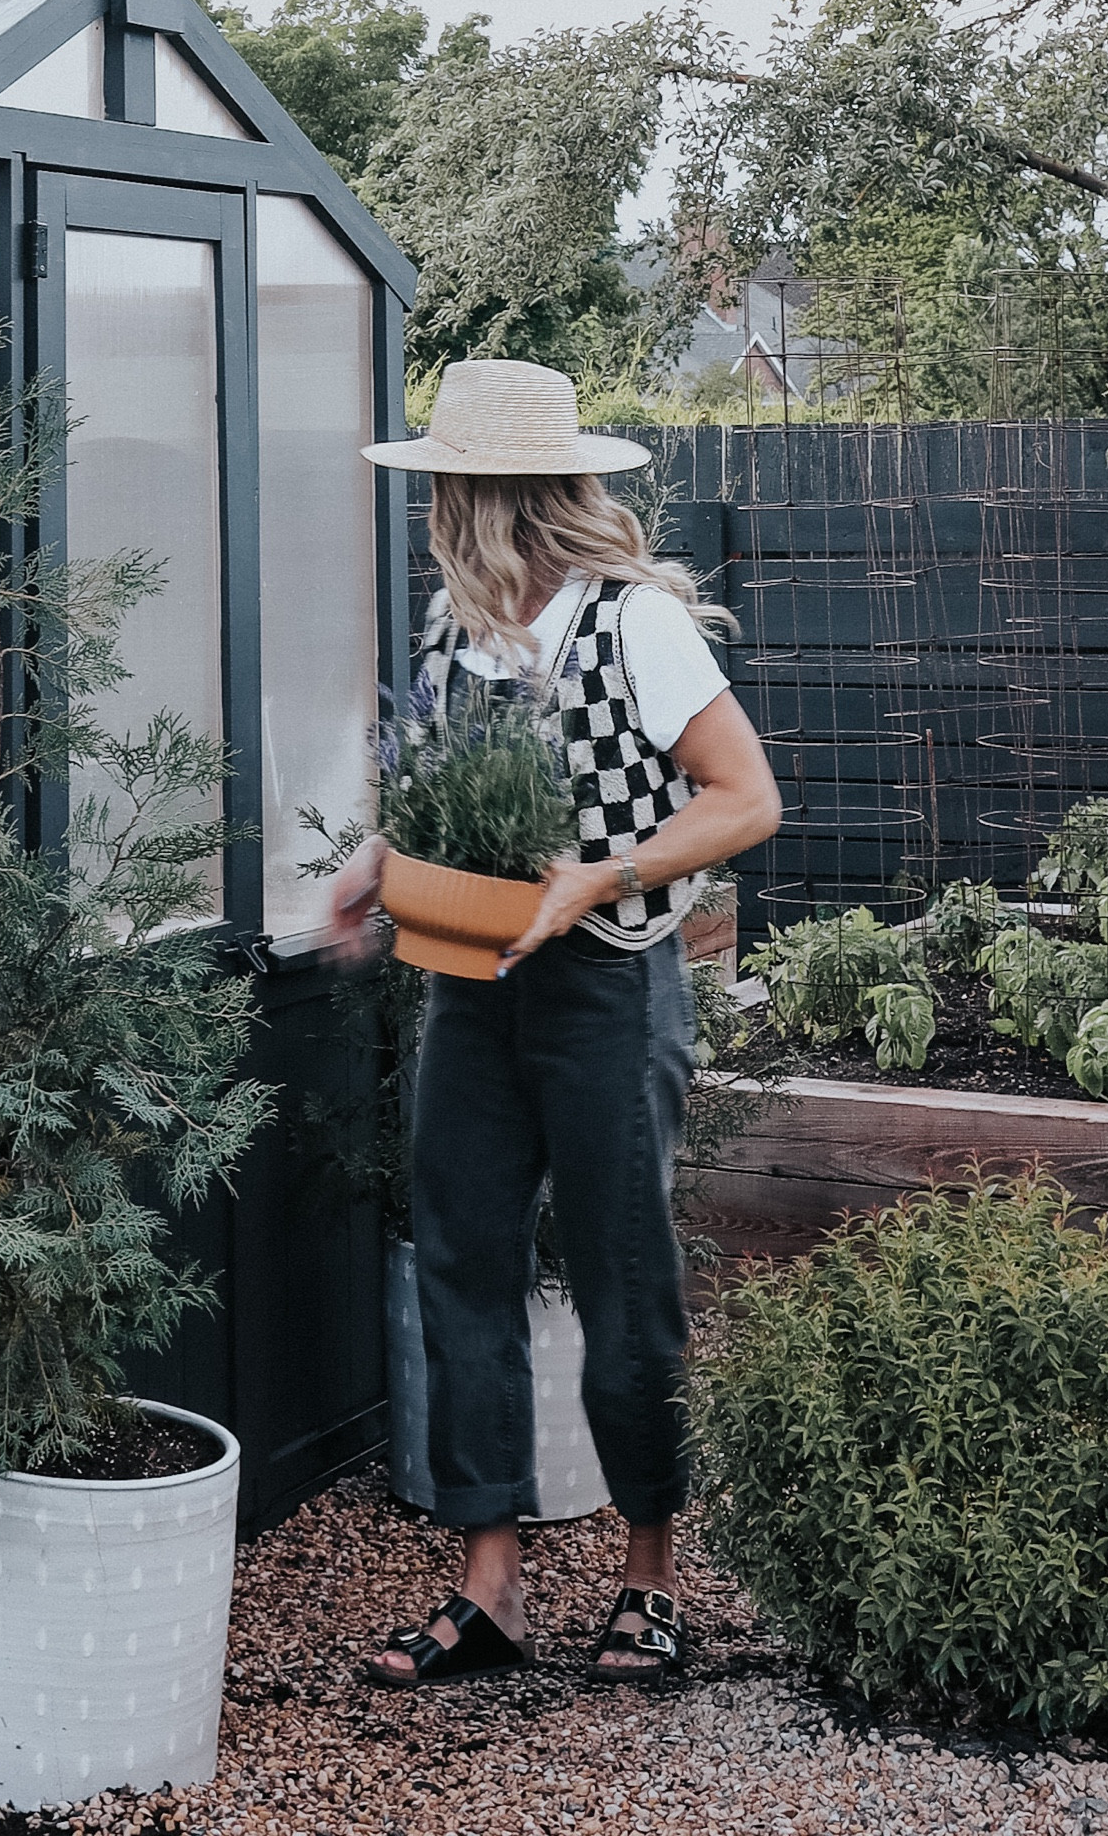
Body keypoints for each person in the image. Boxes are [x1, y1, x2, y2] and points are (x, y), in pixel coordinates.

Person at [330, 358, 782, 1688]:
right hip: (466, 987)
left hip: (602, 986)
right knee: (462, 1264)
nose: (433, 517)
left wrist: (606, 871)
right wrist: (374, 861)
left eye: (443, 493)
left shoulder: (630, 624)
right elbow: (440, 802)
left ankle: (650, 1576)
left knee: (619, 1277)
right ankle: (492, 1590)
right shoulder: (450, 627)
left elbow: (743, 797)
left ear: (481, 496)